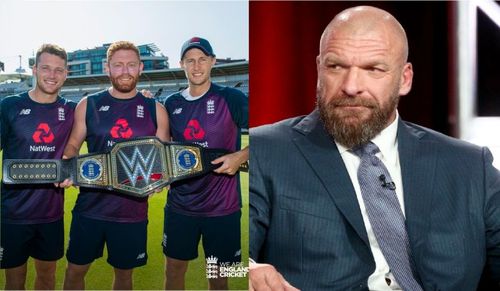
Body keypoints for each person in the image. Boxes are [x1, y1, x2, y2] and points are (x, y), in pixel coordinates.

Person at [249, 6, 500, 291]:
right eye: (336, 66)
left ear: (404, 79)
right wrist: (246, 270)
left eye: (373, 69)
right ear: (319, 68)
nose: (351, 86)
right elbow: (223, 251)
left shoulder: (469, 167)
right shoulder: (263, 152)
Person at [60, 41, 170, 290]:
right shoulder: (89, 104)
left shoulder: (156, 110)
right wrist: (66, 169)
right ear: (107, 68)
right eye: (118, 65)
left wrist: (158, 180)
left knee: (124, 277)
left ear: (140, 67)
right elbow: (73, 146)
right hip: (90, 208)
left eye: (131, 64)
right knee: (74, 272)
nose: (125, 71)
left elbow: (163, 159)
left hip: (131, 212)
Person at [162, 37, 248, 290]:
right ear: (182, 64)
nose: (196, 66)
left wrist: (241, 155)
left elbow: (268, 131)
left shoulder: (230, 97)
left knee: (218, 277)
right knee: (174, 272)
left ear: (212, 61)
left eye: (202, 59)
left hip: (222, 207)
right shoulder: (171, 103)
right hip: (180, 204)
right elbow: (162, 145)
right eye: (190, 60)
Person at [0, 44, 75, 289]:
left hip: (50, 213)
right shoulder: (9, 106)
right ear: (34, 69)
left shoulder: (72, 110)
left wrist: (144, 97)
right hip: (13, 213)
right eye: (46, 68)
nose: (52, 75)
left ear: (66, 73)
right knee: (14, 281)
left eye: (58, 70)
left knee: (46, 278)